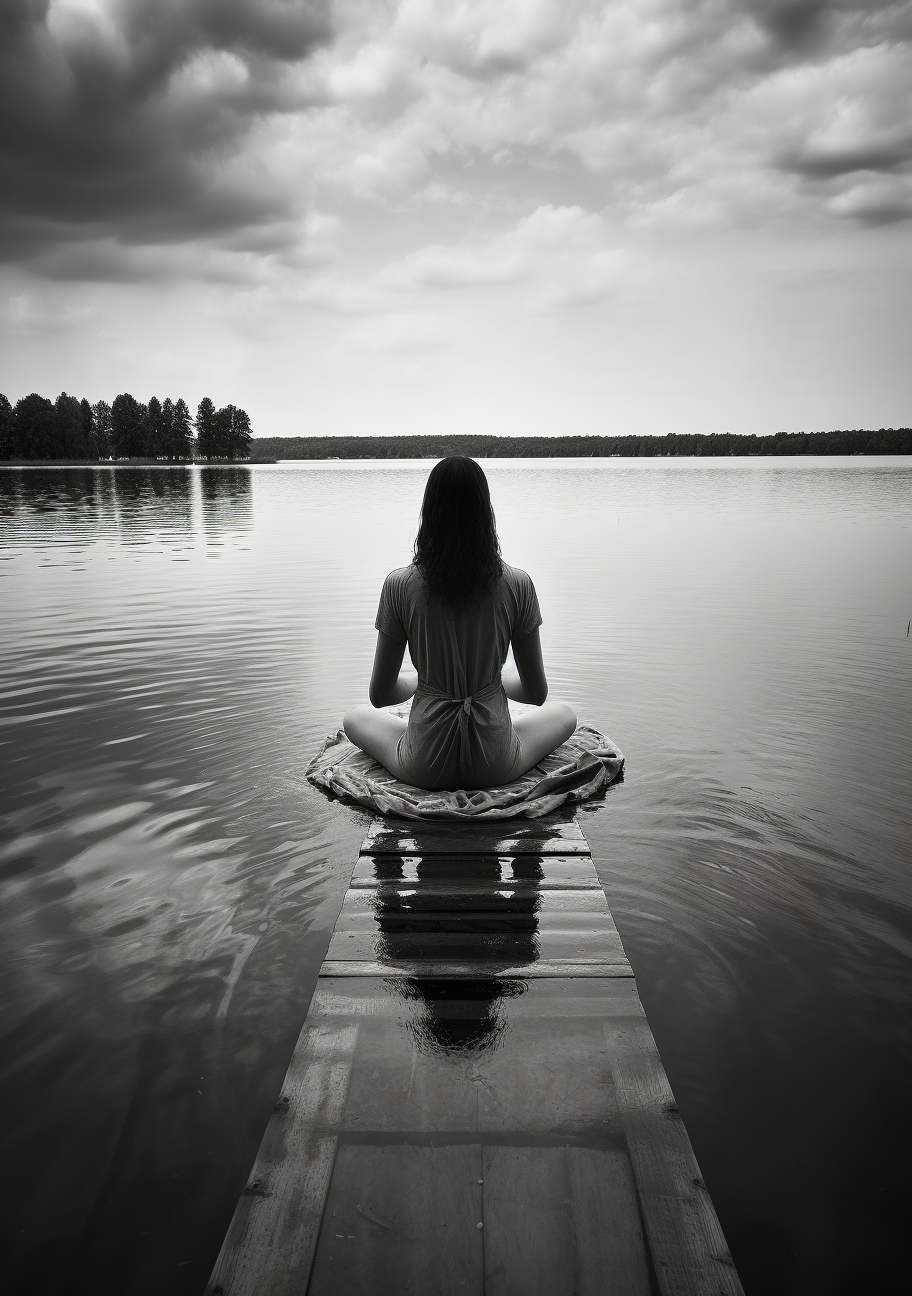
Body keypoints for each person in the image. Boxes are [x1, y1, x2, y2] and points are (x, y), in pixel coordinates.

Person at [343, 456, 577, 791]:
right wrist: (489, 683)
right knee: (565, 713)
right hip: (496, 763)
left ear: (429, 511)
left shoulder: (399, 585)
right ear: (485, 512)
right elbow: (536, 694)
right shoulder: (517, 583)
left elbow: (379, 696)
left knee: (354, 716)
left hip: (423, 765)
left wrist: (425, 682)